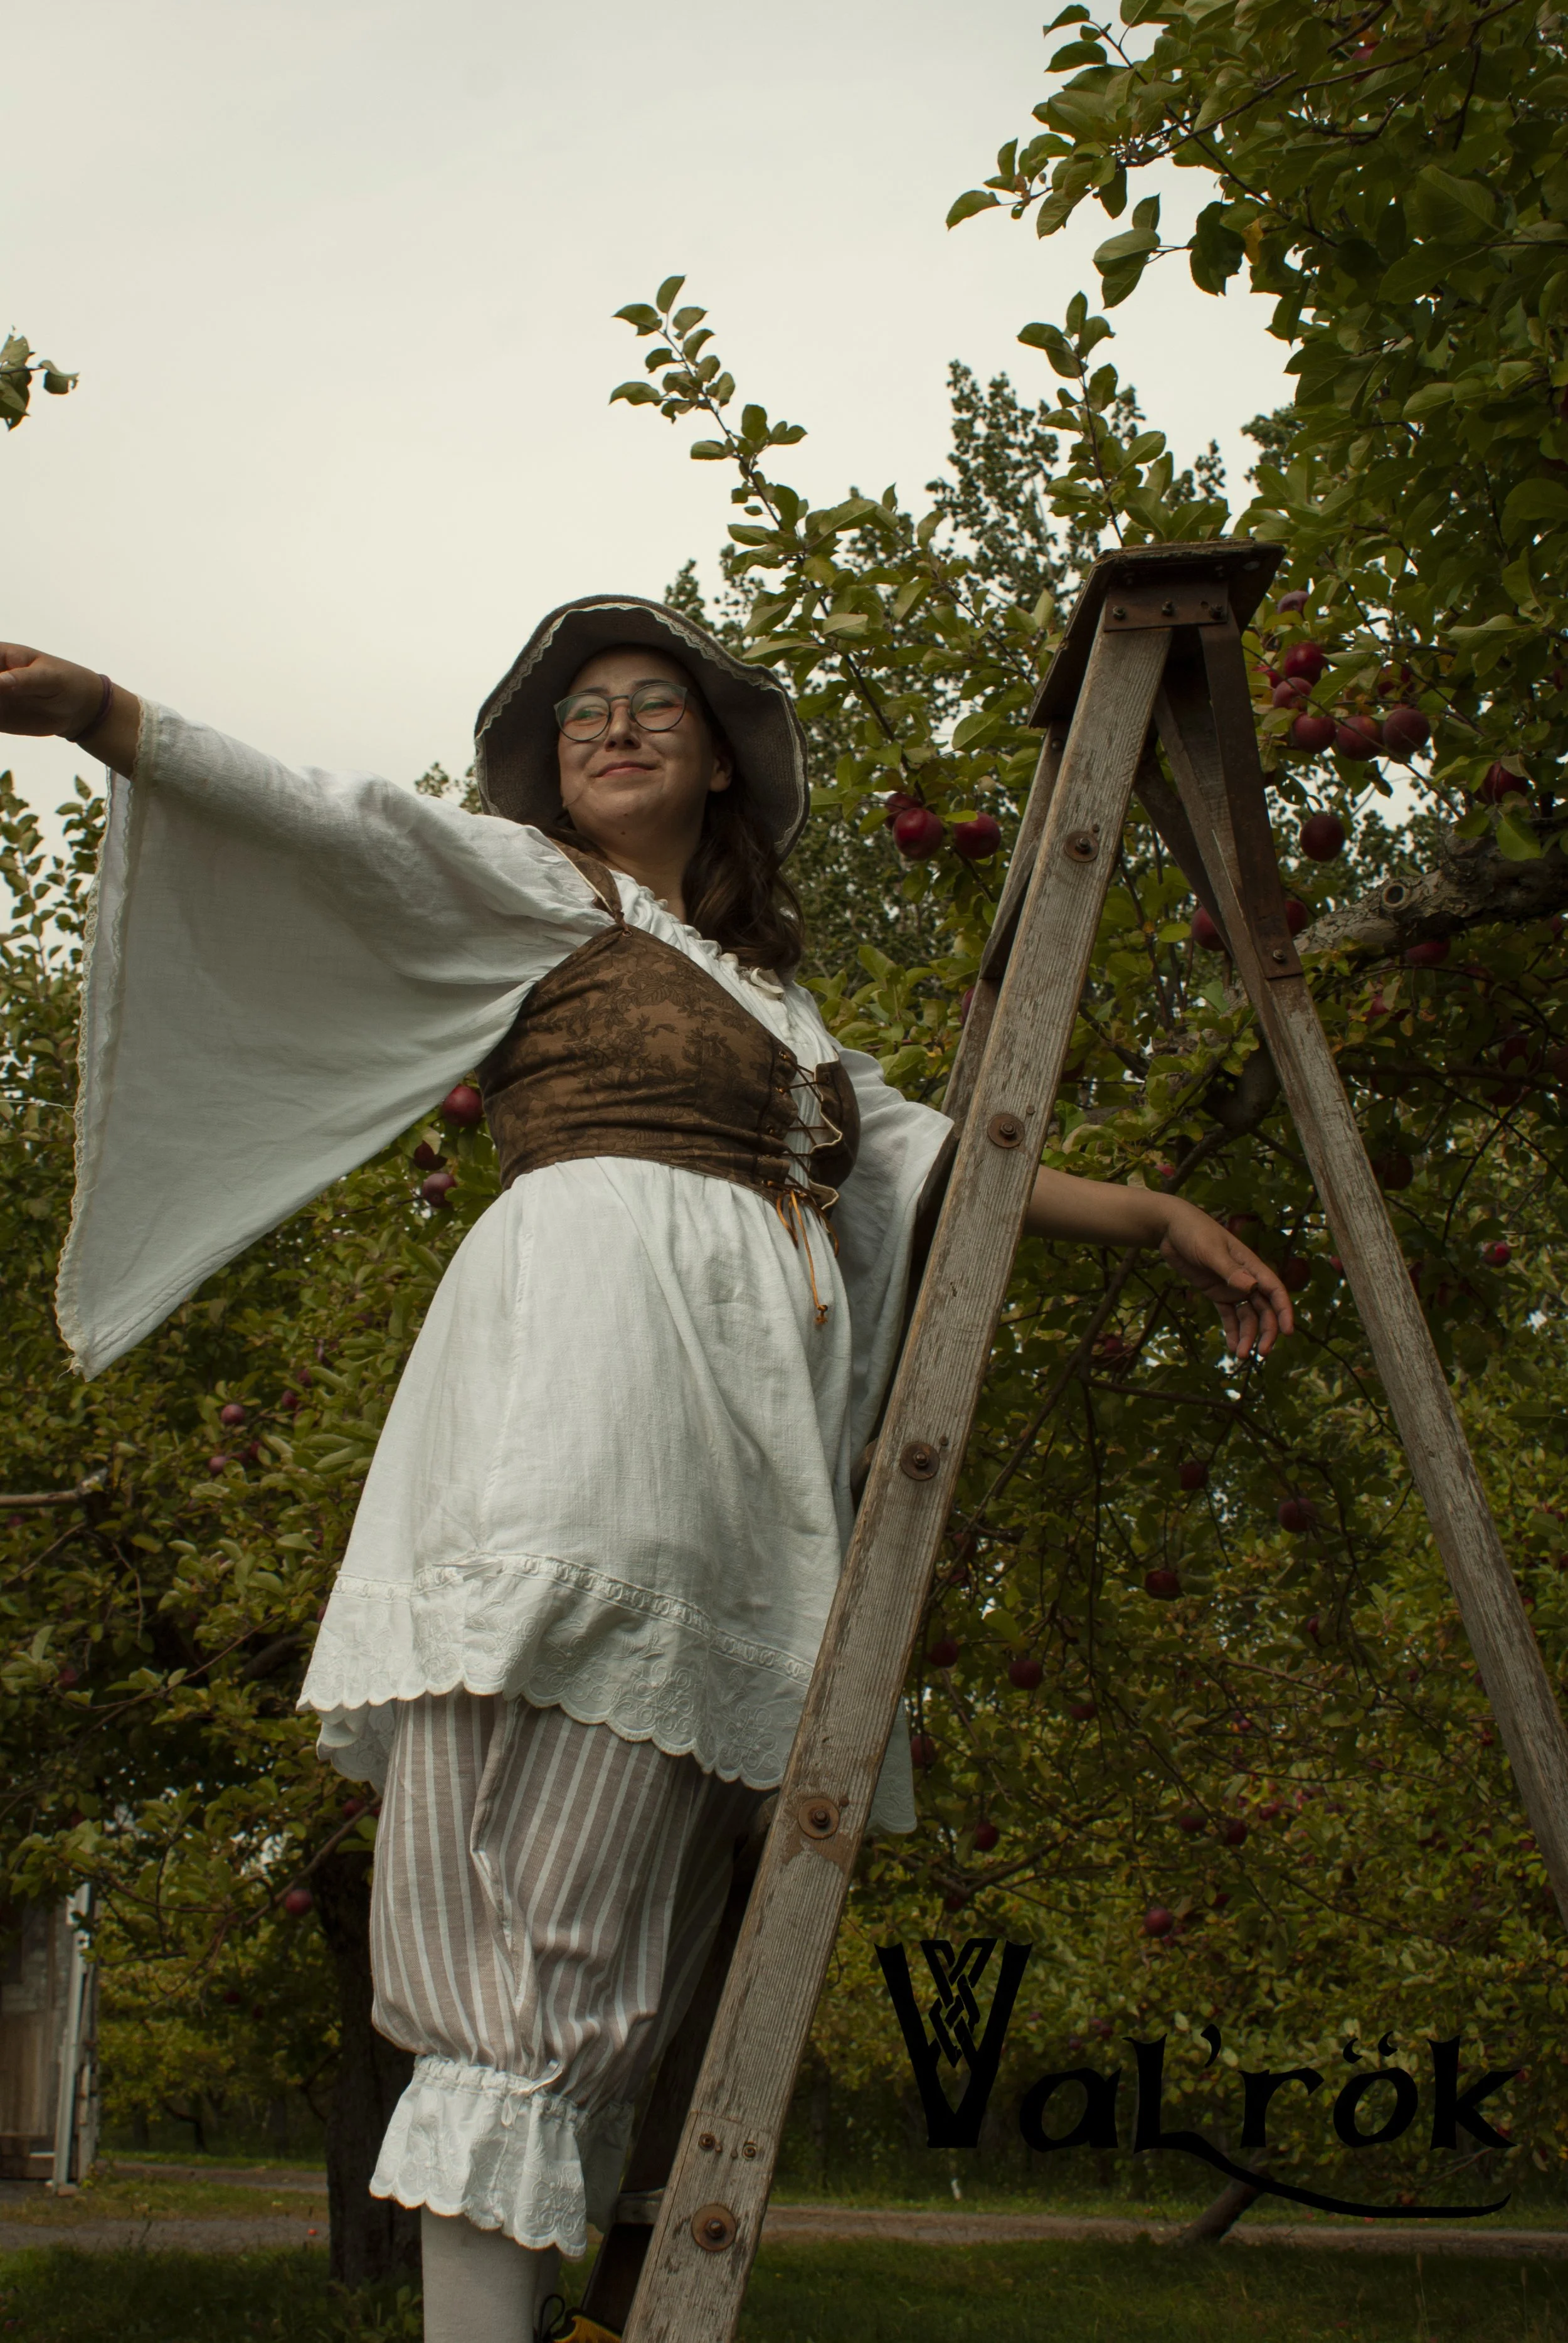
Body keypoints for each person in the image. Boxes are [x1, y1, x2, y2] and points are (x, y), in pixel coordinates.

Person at [0, 600, 1290, 2342]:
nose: (612, 726)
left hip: (735, 1453)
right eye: (582, 711)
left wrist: (1156, 1216)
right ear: (547, 767)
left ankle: (560, 2309)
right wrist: (108, 713)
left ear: (718, 763)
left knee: (619, 1918)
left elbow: (927, 1161)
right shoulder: (537, 895)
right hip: (574, 1396)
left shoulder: (787, 1016)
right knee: (513, 1895)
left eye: (652, 704)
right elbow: (347, 826)